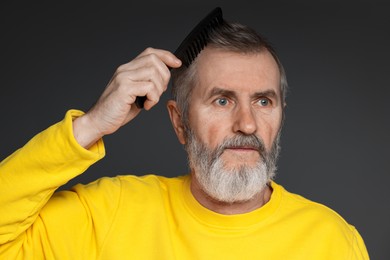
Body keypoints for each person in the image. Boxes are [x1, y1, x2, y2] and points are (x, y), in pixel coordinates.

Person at [0, 20, 369, 259]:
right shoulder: (108, 214)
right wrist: (90, 125)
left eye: (263, 101)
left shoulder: (333, 241)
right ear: (179, 122)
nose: (247, 124)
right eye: (222, 100)